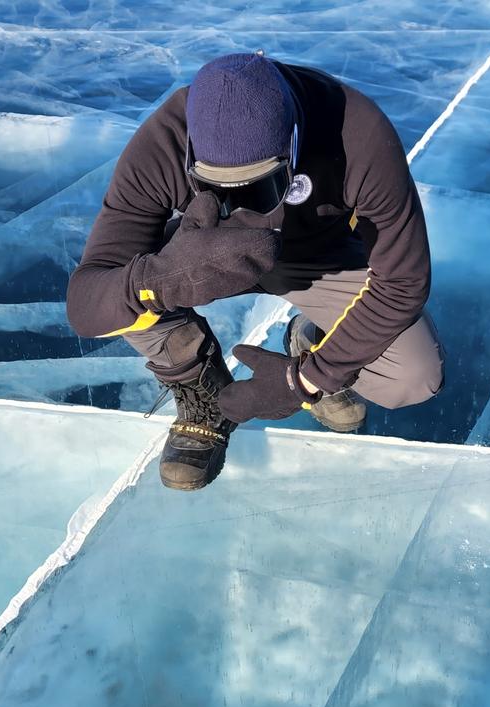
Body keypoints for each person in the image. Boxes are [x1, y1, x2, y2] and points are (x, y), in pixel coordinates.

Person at [66, 52, 444, 491]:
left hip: (316, 257)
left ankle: (316, 337)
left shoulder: (358, 133)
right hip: (199, 255)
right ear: (191, 155)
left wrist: (307, 379)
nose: (241, 207)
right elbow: (85, 302)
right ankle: (198, 385)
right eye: (214, 189)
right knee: (121, 296)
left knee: (413, 379)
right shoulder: (162, 142)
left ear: (294, 144)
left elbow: (402, 283)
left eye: (264, 187)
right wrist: (156, 281)